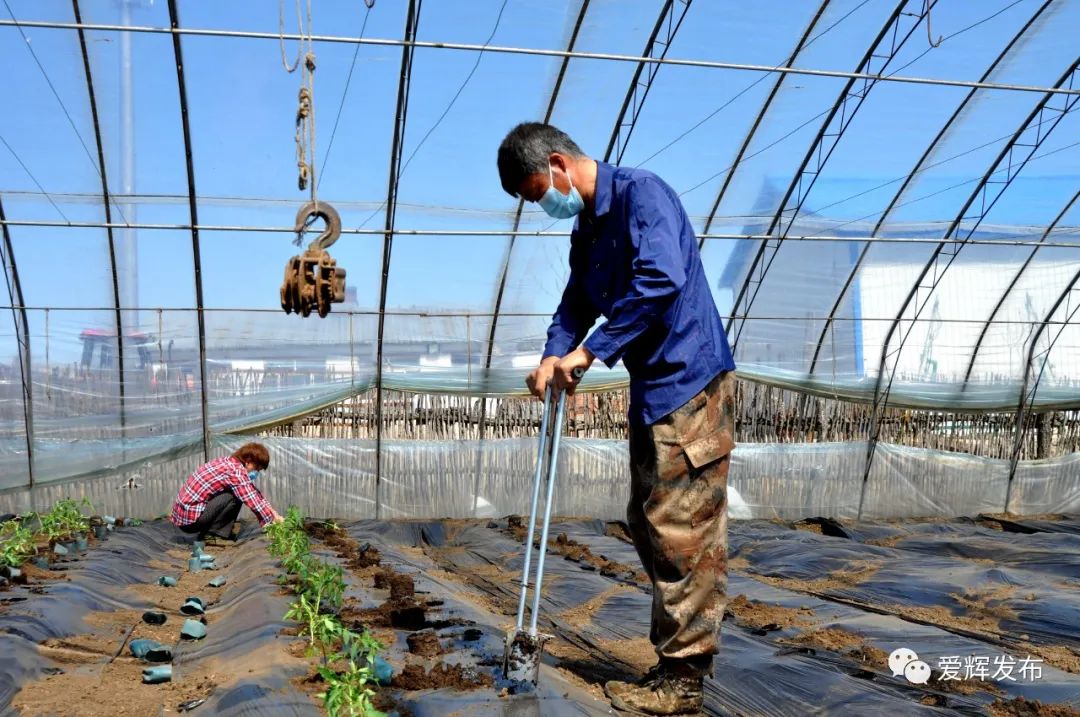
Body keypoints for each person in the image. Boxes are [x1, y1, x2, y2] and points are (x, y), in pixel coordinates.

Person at [497, 122, 737, 716]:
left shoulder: (642, 195)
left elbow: (661, 279)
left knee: (682, 526)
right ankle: (677, 664)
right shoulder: (588, 228)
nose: (541, 205)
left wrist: (591, 352)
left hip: (690, 379)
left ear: (558, 163)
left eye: (536, 192)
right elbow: (576, 301)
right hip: (654, 390)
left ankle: (682, 681)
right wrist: (555, 353)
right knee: (651, 520)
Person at [170, 442, 283, 540]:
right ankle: (214, 535)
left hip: (185, 516)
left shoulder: (229, 463)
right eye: (257, 468)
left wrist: (274, 513)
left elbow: (253, 492)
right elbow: (252, 500)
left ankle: (216, 532)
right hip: (189, 521)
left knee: (239, 492)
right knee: (235, 496)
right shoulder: (235, 472)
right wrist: (271, 522)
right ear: (248, 461)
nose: (257, 472)